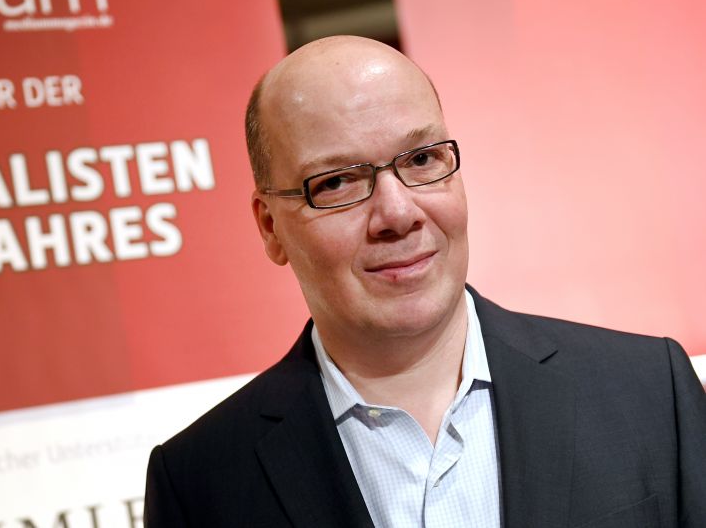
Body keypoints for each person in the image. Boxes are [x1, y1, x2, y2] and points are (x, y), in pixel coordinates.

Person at [143, 36, 706, 527]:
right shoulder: (200, 481)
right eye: (336, 182)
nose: (397, 213)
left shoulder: (650, 392)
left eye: (420, 160)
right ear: (271, 228)